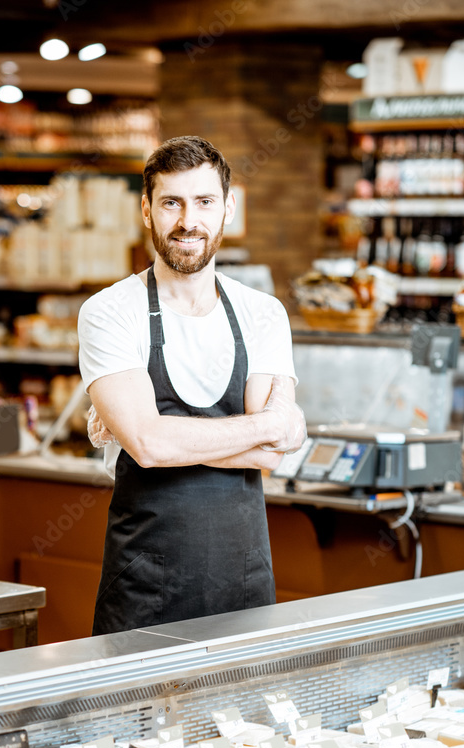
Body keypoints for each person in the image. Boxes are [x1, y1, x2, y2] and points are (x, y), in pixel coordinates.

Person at [78, 135, 306, 636]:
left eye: (204, 202)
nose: (188, 221)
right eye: (171, 203)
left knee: (240, 714)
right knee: (135, 715)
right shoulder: (110, 312)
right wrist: (263, 424)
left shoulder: (263, 313)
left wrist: (160, 436)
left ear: (227, 208)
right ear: (147, 210)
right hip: (143, 588)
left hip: (243, 582)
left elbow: (270, 456)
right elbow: (150, 445)